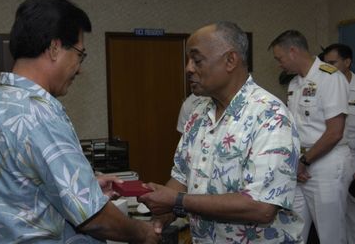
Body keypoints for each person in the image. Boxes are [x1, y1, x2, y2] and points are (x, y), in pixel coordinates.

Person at [0, 0, 159, 243]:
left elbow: (16, 185)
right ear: (55, 47)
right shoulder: (38, 114)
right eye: (80, 54)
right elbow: (95, 219)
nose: (79, 68)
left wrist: (84, 185)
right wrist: (143, 233)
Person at [139, 21, 303, 243]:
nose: (188, 68)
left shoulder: (270, 116)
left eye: (197, 60)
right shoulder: (198, 114)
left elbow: (261, 207)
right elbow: (181, 177)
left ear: (230, 60)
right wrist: (163, 212)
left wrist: (177, 201)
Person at [269, 30, 353, 244]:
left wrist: (305, 161)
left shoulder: (330, 78)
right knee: (294, 231)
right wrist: (297, 162)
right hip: (301, 166)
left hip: (326, 164)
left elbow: (335, 132)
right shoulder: (294, 84)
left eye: (280, 58)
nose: (279, 64)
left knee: (330, 234)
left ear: (293, 51)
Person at [321, 43, 355, 244]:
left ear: (347, 62)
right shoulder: (325, 87)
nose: (327, 68)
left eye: (332, 63)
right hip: (334, 156)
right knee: (338, 214)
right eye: (325, 63)